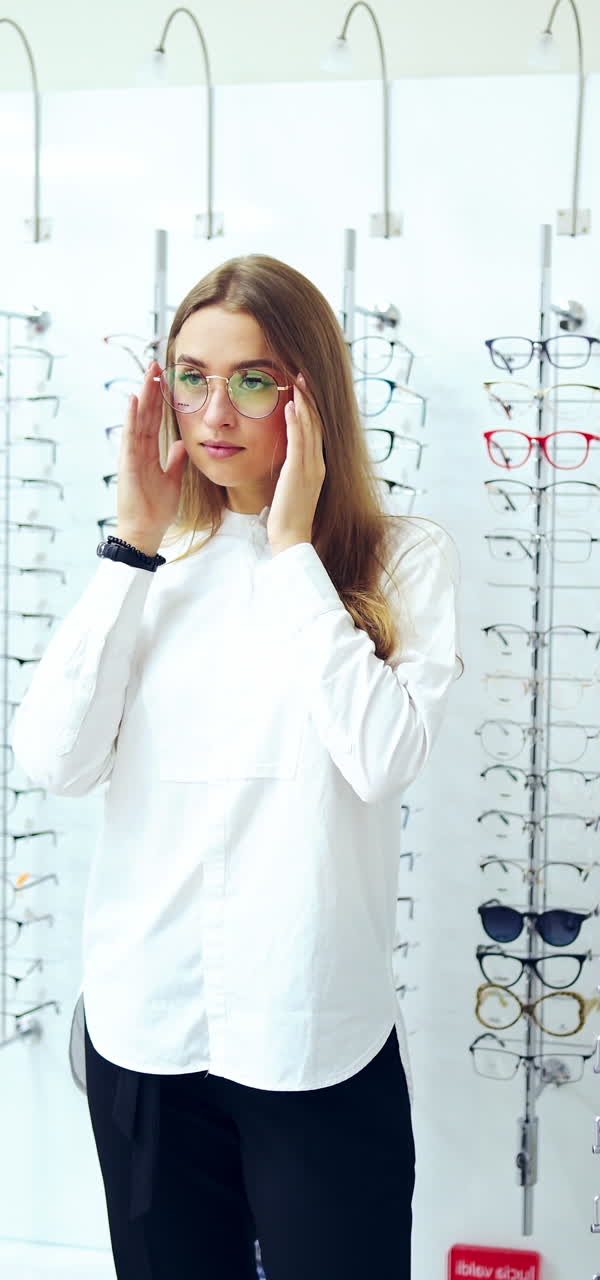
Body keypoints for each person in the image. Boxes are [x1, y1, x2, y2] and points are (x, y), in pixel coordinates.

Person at [11, 254, 463, 1280]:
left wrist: (293, 551)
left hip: (314, 1030)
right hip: (147, 1030)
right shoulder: (148, 563)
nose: (217, 409)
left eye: (253, 378)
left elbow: (383, 756)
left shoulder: (401, 559)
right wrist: (132, 539)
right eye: (191, 374)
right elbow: (53, 760)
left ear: (311, 392)